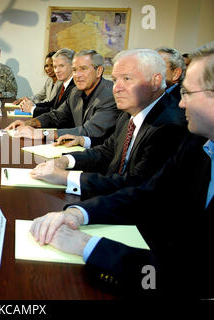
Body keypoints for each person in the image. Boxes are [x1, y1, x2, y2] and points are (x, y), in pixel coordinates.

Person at [30, 41, 214, 298]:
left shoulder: (172, 127)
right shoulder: (198, 140)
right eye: (116, 79)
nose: (181, 105)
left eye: (187, 94)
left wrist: (88, 245)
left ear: (155, 80)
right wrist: (78, 212)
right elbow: (146, 192)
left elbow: (192, 273)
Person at [30, 49, 188, 200]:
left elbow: (136, 185)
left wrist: (67, 177)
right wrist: (66, 160)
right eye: (114, 80)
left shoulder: (169, 125)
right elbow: (107, 150)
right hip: (111, 196)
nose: (117, 88)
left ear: (155, 81)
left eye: (127, 79)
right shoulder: (130, 113)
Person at [6, 50, 119, 143]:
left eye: (83, 69)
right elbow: (57, 115)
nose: (77, 75)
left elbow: (89, 131)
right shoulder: (76, 92)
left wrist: (42, 133)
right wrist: (28, 123)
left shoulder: (110, 94)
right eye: (74, 70)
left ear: (99, 71)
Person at [16, 48, 75, 118]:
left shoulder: (75, 87)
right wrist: (33, 105)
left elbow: (58, 113)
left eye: (61, 66)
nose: (57, 71)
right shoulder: (63, 85)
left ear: (72, 66)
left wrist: (32, 109)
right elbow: (51, 104)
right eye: (55, 67)